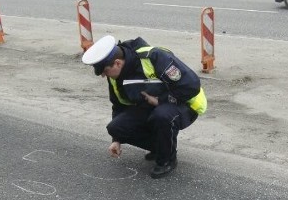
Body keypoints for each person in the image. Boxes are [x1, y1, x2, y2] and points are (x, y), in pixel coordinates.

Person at [81, 35, 207, 178]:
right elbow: (118, 105)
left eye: (104, 71)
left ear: (117, 63)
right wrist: (116, 139)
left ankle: (167, 160)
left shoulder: (154, 57)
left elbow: (191, 86)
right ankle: (161, 147)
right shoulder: (116, 77)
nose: (104, 76)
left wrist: (161, 100)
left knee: (162, 115)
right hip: (150, 106)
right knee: (115, 127)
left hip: (184, 103)